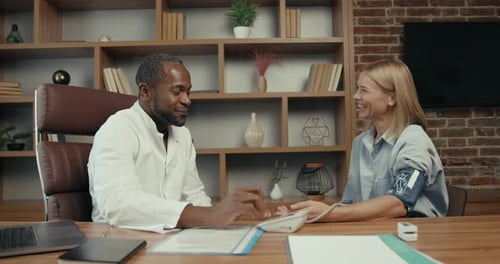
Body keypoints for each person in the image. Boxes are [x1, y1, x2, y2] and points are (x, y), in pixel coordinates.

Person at [88, 53, 270, 231]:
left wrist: (222, 217)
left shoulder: (182, 135)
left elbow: (193, 195)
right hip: (119, 241)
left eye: (188, 92)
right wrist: (209, 216)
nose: (187, 100)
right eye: (177, 92)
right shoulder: (117, 129)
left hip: (169, 239)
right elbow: (118, 205)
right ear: (145, 91)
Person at [278, 58, 448, 222]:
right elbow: (349, 205)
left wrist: (328, 214)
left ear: (392, 98)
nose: (355, 96)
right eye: (357, 89)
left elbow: (400, 202)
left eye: (364, 90)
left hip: (417, 236)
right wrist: (304, 216)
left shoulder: (414, 139)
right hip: (375, 234)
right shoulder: (360, 143)